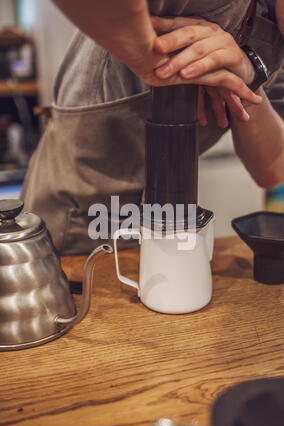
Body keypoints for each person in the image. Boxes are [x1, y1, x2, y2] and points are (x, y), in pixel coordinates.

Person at [21, 0, 284, 255]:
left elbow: (272, 169)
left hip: (154, 219)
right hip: (77, 216)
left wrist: (249, 80)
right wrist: (149, 60)